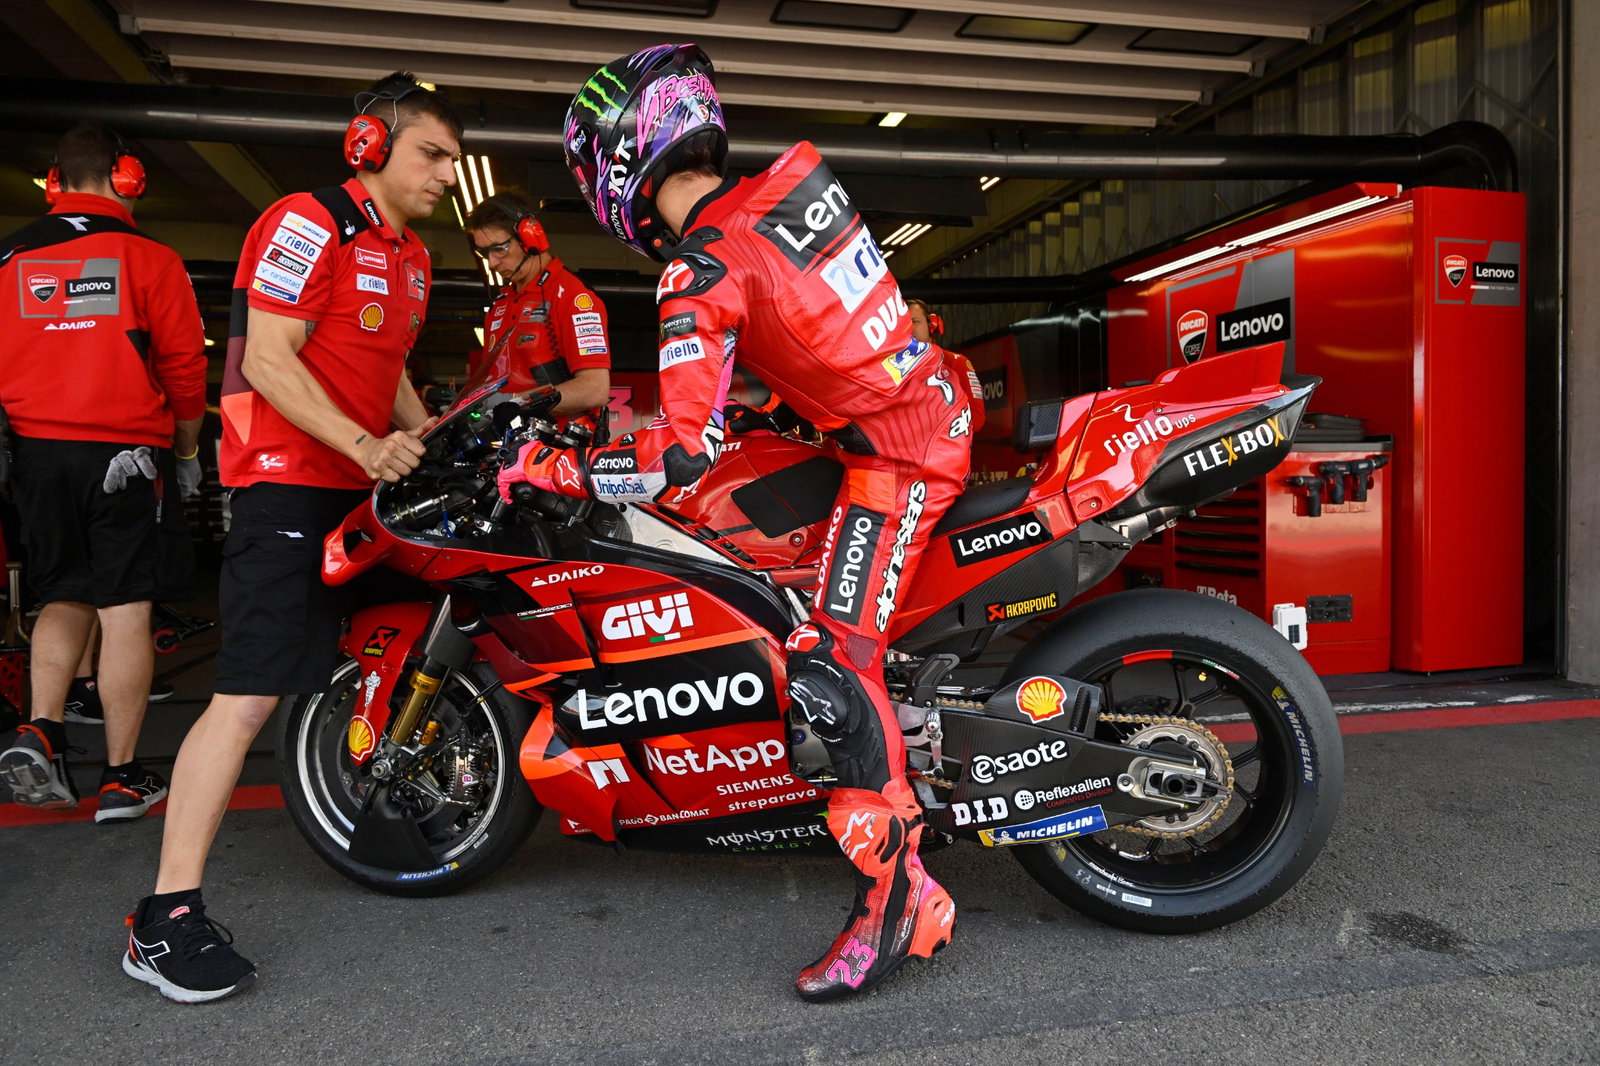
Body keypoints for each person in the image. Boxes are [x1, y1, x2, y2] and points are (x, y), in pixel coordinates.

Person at [505, 43, 971, 1001]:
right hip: (920, 410)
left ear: (618, 163)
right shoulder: (769, 200)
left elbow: (677, 455)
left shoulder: (699, 266)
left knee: (833, 666)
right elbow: (810, 340)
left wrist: (554, 465)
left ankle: (899, 898)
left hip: (902, 457)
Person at [120, 72, 461, 1004]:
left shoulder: (416, 257)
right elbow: (269, 357)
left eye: (451, 159)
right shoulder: (305, 222)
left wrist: (437, 438)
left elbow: (386, 379)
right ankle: (165, 919)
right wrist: (363, 442)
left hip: (363, 493)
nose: (445, 173)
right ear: (369, 143)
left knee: (424, 637)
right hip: (286, 489)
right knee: (246, 697)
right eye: (431, 153)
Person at [0, 121, 206, 823]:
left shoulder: (7, 257)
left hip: (35, 453)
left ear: (54, 183)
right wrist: (186, 451)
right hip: (125, 453)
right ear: (128, 178)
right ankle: (121, 776)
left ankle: (42, 726)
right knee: (125, 610)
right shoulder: (151, 258)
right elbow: (183, 366)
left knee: (62, 593)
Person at [463, 190, 612, 433]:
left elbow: (595, 389)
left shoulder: (574, 296)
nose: (491, 263)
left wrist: (516, 403)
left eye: (499, 248)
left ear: (530, 238)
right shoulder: (500, 305)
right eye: (483, 252)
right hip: (506, 448)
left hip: (559, 453)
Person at [908, 298, 985, 435]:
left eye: (914, 321)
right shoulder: (887, 369)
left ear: (933, 325)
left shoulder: (956, 363)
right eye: (902, 324)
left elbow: (976, 418)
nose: (909, 328)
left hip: (944, 451)